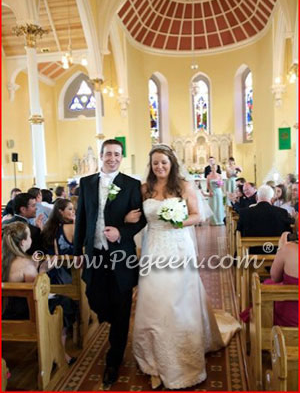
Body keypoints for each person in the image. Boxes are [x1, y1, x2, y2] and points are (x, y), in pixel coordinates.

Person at [126, 144, 240, 389]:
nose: (160, 167)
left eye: (164, 163)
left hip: (178, 247)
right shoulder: (144, 189)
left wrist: (179, 221)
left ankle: (182, 353)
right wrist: (127, 219)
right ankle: (154, 355)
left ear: (172, 163)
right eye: (155, 163)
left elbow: (198, 215)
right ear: (151, 164)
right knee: (154, 297)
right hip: (153, 246)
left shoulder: (184, 186)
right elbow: (137, 215)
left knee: (178, 299)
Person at [73, 139, 146, 387]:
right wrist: (77, 252)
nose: (112, 158)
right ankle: (112, 320)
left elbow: (141, 220)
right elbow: (81, 218)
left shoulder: (132, 185)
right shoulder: (86, 183)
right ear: (101, 156)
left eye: (117, 154)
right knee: (95, 297)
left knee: (122, 305)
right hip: (94, 253)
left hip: (121, 255)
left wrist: (122, 232)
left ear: (121, 157)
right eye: (108, 154)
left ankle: (113, 359)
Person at [2, 221, 77, 365]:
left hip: (5, 310)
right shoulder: (24, 263)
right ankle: (58, 352)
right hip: (25, 313)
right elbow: (38, 293)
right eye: (30, 237)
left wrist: (35, 267)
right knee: (65, 304)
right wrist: (43, 270)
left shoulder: (7, 259)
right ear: (23, 242)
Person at [237, 185, 293, 254]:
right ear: (272, 198)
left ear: (256, 197)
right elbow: (288, 232)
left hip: (251, 252)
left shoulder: (244, 213)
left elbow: (238, 232)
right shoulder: (282, 212)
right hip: (277, 252)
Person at [42, 199, 76, 284]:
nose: (73, 211)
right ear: (61, 211)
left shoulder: (48, 228)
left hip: (51, 272)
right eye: (70, 209)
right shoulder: (72, 228)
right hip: (70, 272)